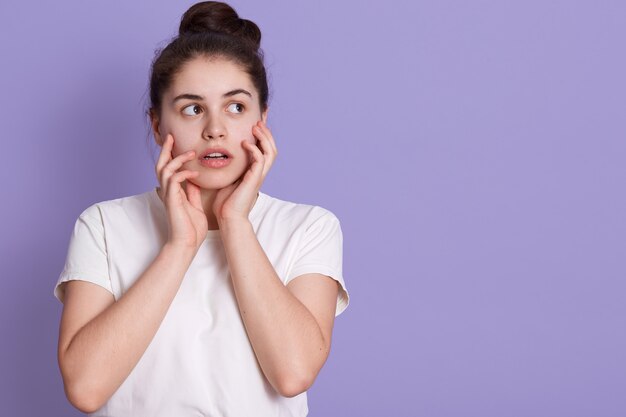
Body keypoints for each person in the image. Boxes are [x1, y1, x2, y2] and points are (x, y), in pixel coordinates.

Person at [53, 2, 350, 416]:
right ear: (158, 125)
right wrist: (180, 246)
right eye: (192, 108)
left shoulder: (309, 227)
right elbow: (85, 389)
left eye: (236, 107)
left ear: (262, 120)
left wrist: (235, 223)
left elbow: (292, 373)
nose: (215, 128)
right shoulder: (104, 225)